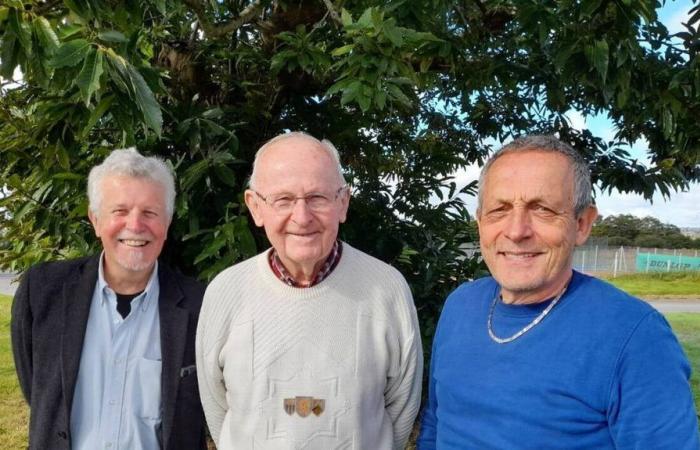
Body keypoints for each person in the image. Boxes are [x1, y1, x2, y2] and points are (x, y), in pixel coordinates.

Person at [417, 135, 699, 449]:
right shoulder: (460, 305)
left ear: (582, 224)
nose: (516, 231)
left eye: (543, 210)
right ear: (480, 222)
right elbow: (437, 423)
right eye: (499, 210)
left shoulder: (635, 336)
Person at [196, 132, 423, 449]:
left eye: (317, 197)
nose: (301, 218)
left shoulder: (387, 288)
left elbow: (401, 409)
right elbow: (217, 408)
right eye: (283, 200)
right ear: (256, 207)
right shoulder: (225, 292)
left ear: (343, 203)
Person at [12, 148, 207, 450]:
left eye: (150, 212)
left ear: (166, 223)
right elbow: (38, 389)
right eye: (120, 211)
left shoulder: (199, 305)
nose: (135, 225)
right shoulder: (42, 290)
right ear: (96, 219)